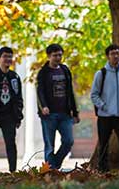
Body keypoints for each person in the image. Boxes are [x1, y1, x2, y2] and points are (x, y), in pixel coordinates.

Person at [90, 43, 119, 171]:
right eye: (112, 53)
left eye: (117, 53)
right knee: (103, 144)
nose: (115, 56)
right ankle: (103, 169)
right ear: (107, 56)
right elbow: (94, 95)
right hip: (105, 117)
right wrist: (104, 106)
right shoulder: (101, 74)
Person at [36, 42, 79, 170]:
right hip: (49, 115)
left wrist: (75, 112)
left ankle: (54, 164)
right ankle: (49, 171)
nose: (58, 58)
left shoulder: (65, 70)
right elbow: (40, 91)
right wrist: (43, 106)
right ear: (49, 56)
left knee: (68, 141)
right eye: (55, 55)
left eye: (60, 55)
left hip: (65, 114)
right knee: (49, 145)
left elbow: (70, 91)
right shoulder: (43, 72)